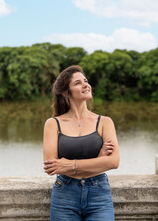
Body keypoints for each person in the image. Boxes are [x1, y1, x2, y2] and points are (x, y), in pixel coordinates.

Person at [43, 65, 119, 221]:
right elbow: (52, 167)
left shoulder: (105, 122)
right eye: (78, 83)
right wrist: (99, 159)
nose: (86, 84)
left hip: (99, 194)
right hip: (64, 195)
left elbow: (113, 162)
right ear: (65, 93)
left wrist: (70, 166)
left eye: (85, 81)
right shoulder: (53, 124)